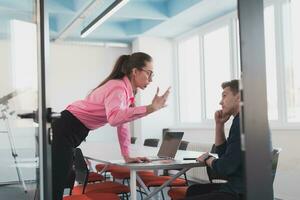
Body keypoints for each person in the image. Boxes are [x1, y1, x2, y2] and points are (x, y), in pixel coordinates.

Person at [51, 52, 170, 200]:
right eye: (149, 73)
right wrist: (149, 108)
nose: (151, 79)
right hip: (68, 126)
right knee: (58, 180)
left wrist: (126, 155)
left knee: (60, 178)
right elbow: (114, 119)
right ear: (135, 71)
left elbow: (122, 124)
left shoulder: (125, 91)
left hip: (71, 127)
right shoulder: (118, 88)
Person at [186, 80, 244, 200]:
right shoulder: (241, 120)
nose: (220, 102)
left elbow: (225, 168)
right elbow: (223, 155)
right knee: (193, 190)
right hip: (239, 187)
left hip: (238, 192)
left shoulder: (242, 124)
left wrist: (208, 159)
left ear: (238, 97)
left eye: (224, 96)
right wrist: (219, 125)